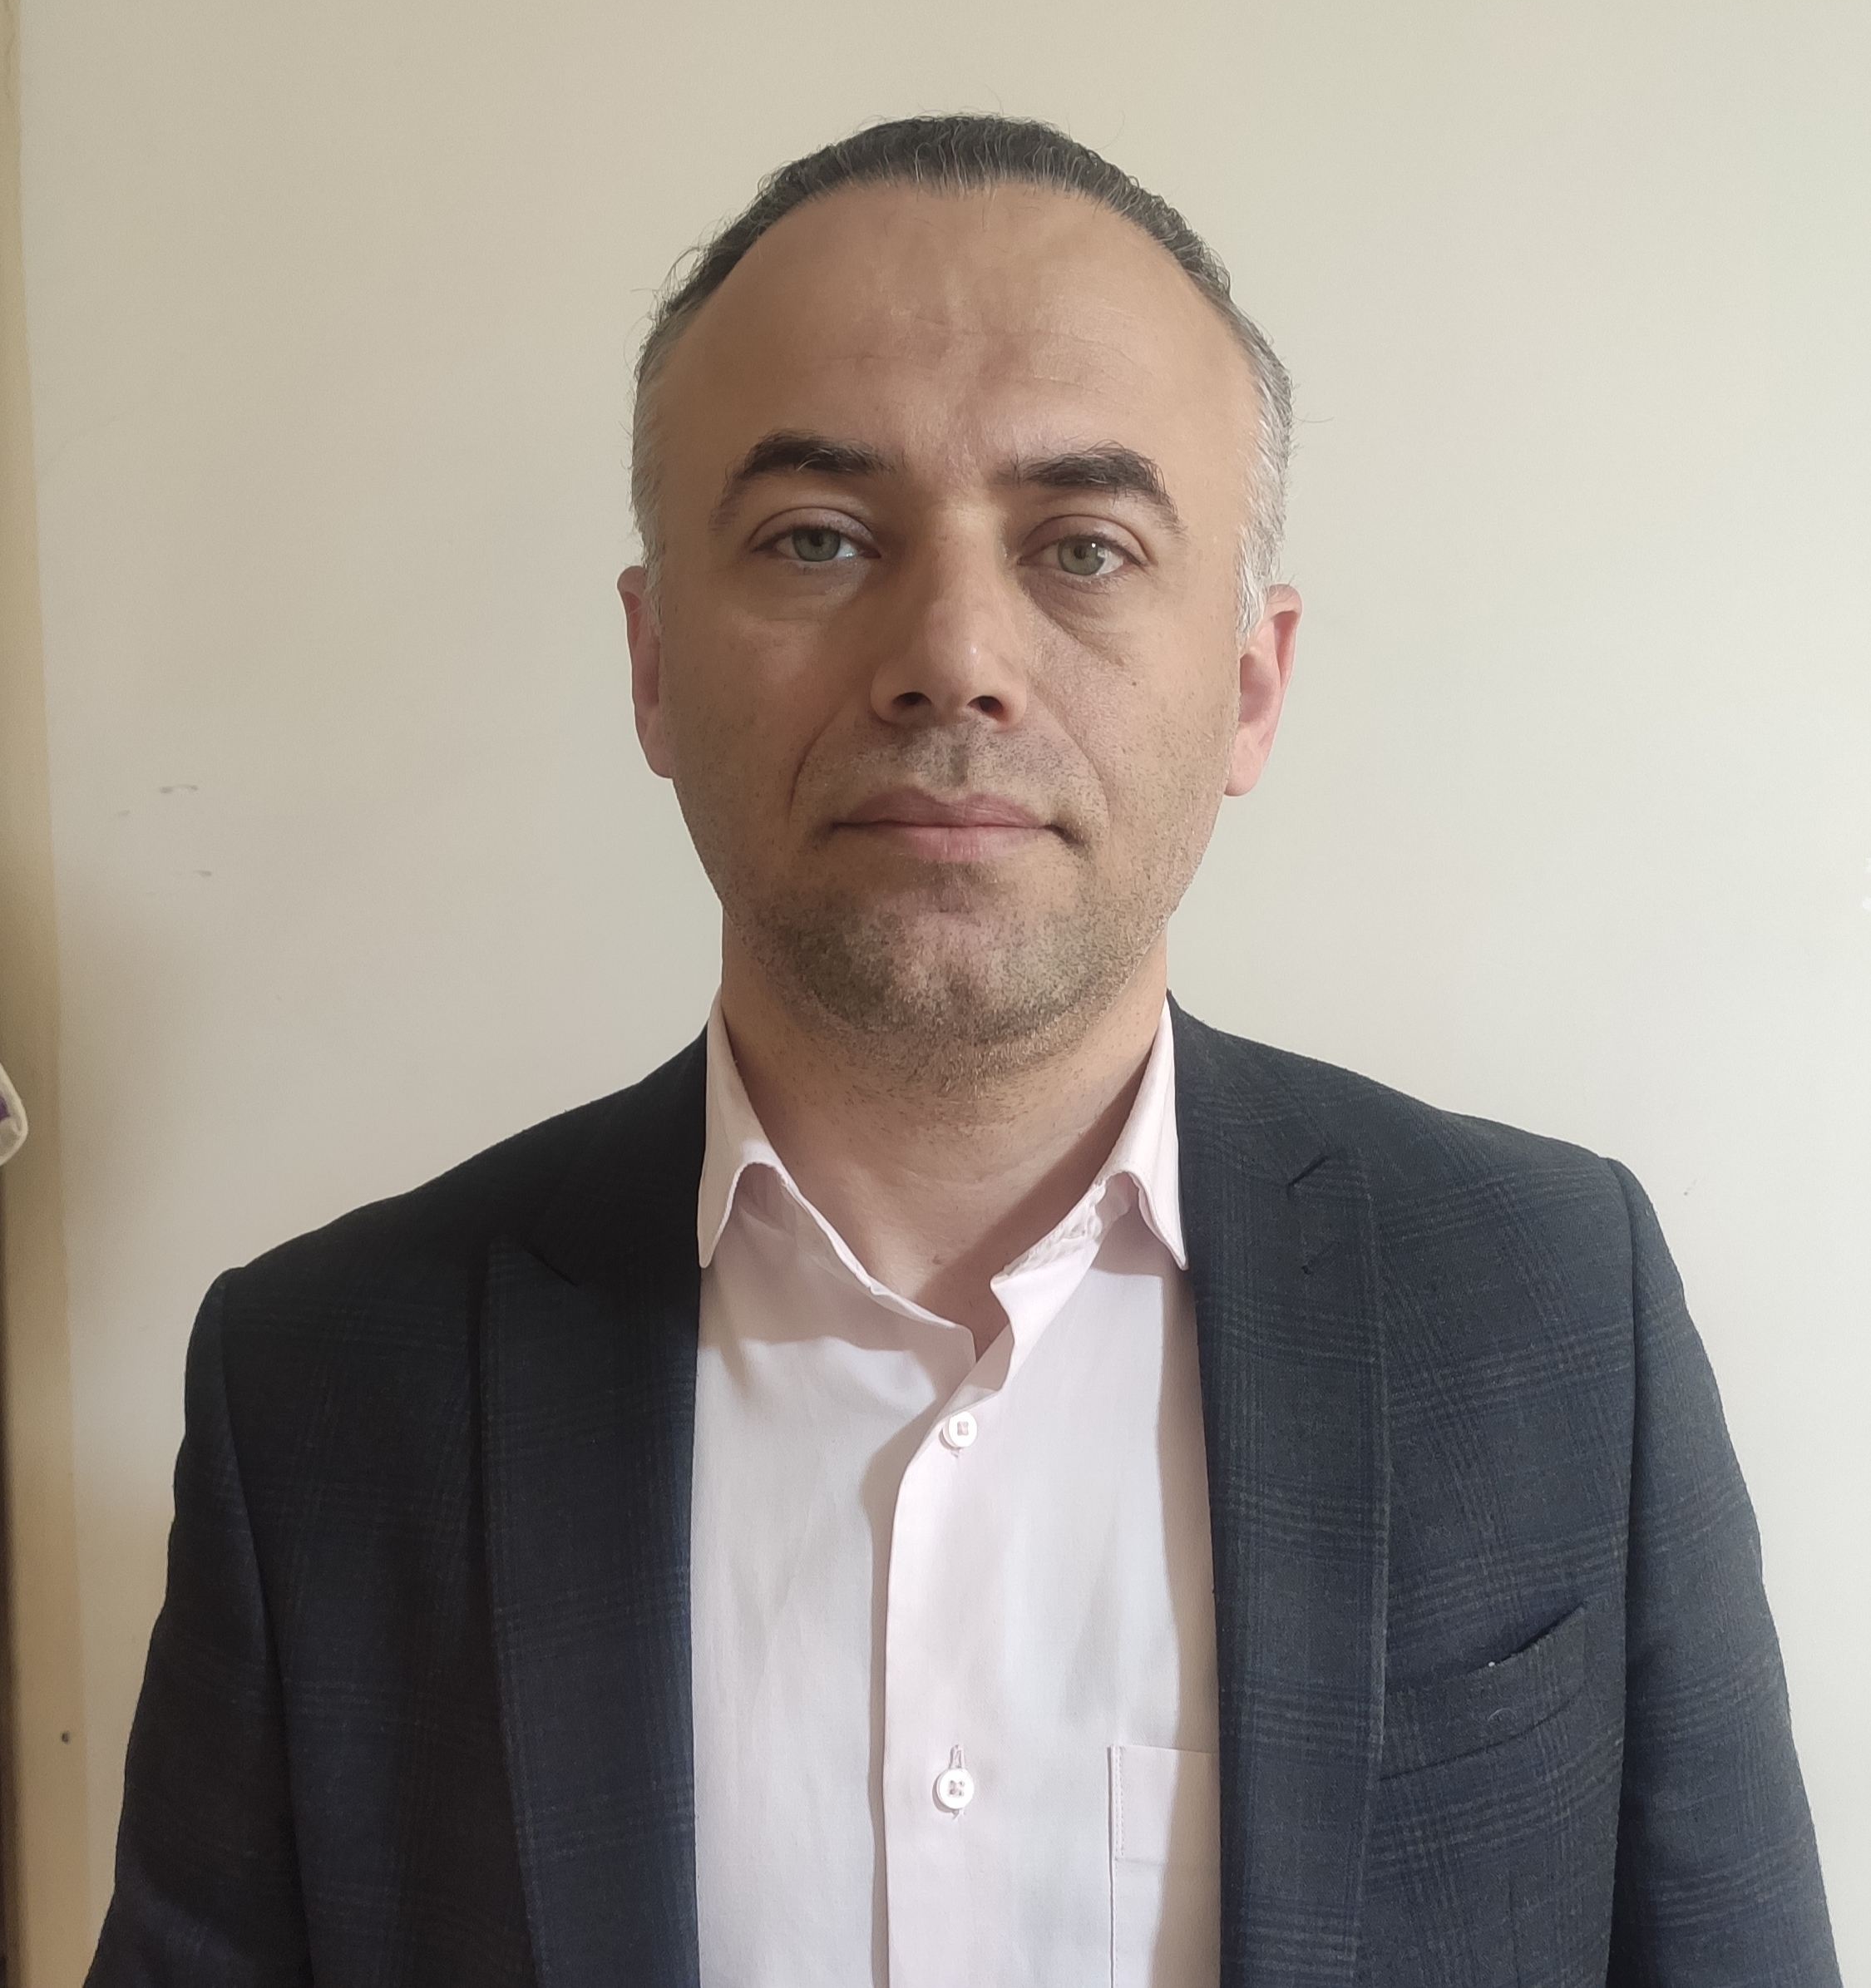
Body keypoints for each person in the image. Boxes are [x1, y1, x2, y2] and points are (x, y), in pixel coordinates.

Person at [87, 116, 1839, 1988]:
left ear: (1251, 685)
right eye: (817, 537)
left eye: (1084, 547)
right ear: (653, 665)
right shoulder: (324, 1391)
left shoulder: (1555, 1314)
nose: (955, 656)